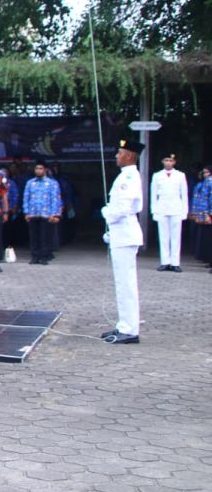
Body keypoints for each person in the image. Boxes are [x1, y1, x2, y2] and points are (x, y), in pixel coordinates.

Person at [100, 138, 144, 344]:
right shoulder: (125, 176)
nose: (117, 156)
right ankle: (123, 325)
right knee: (121, 283)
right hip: (121, 233)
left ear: (129, 155)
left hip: (126, 234)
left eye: (120, 152)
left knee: (126, 284)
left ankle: (129, 329)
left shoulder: (129, 177)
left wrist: (106, 213)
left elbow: (123, 208)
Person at [150, 154, 187, 272]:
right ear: (162, 161)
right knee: (163, 236)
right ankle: (164, 262)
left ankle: (175, 263)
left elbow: (184, 195)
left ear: (174, 162)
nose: (168, 162)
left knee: (176, 237)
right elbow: (153, 195)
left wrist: (184, 211)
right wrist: (154, 211)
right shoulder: (157, 175)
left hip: (176, 208)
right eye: (166, 160)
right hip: (162, 208)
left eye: (170, 160)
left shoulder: (180, 175)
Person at [21, 161, 62, 265]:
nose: (38, 170)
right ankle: (35, 256)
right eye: (36, 169)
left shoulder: (52, 183)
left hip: (46, 213)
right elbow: (26, 198)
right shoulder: (30, 183)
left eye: (40, 168)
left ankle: (44, 257)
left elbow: (55, 199)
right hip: (33, 213)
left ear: (45, 170)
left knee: (45, 236)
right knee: (34, 237)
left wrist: (55, 214)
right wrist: (26, 212)